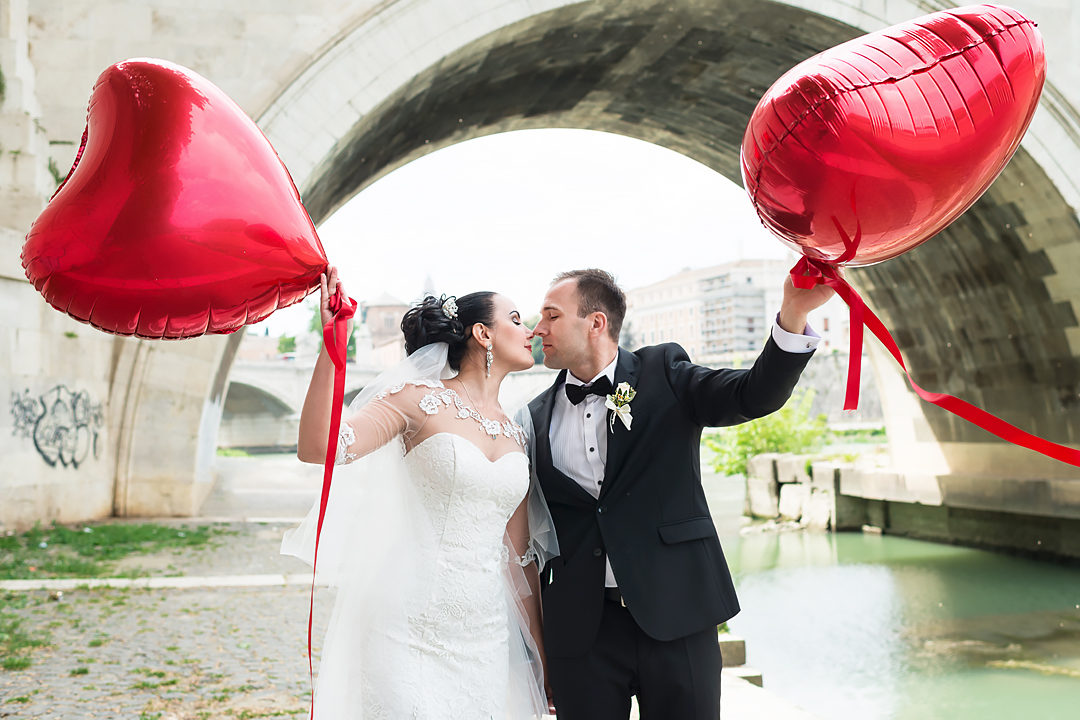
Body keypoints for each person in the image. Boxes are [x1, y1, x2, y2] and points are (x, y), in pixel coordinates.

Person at [521, 268, 833, 719]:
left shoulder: (663, 372)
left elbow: (753, 394)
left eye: (551, 315)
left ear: (595, 322)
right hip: (581, 631)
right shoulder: (534, 416)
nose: (538, 329)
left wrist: (794, 312)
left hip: (678, 612)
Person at [282, 267, 554, 719]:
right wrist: (333, 343)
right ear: (483, 333)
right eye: (517, 319)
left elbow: (520, 557)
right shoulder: (415, 400)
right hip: (405, 625)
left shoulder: (517, 433)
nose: (530, 332)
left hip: (486, 635)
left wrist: (543, 657)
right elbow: (318, 447)